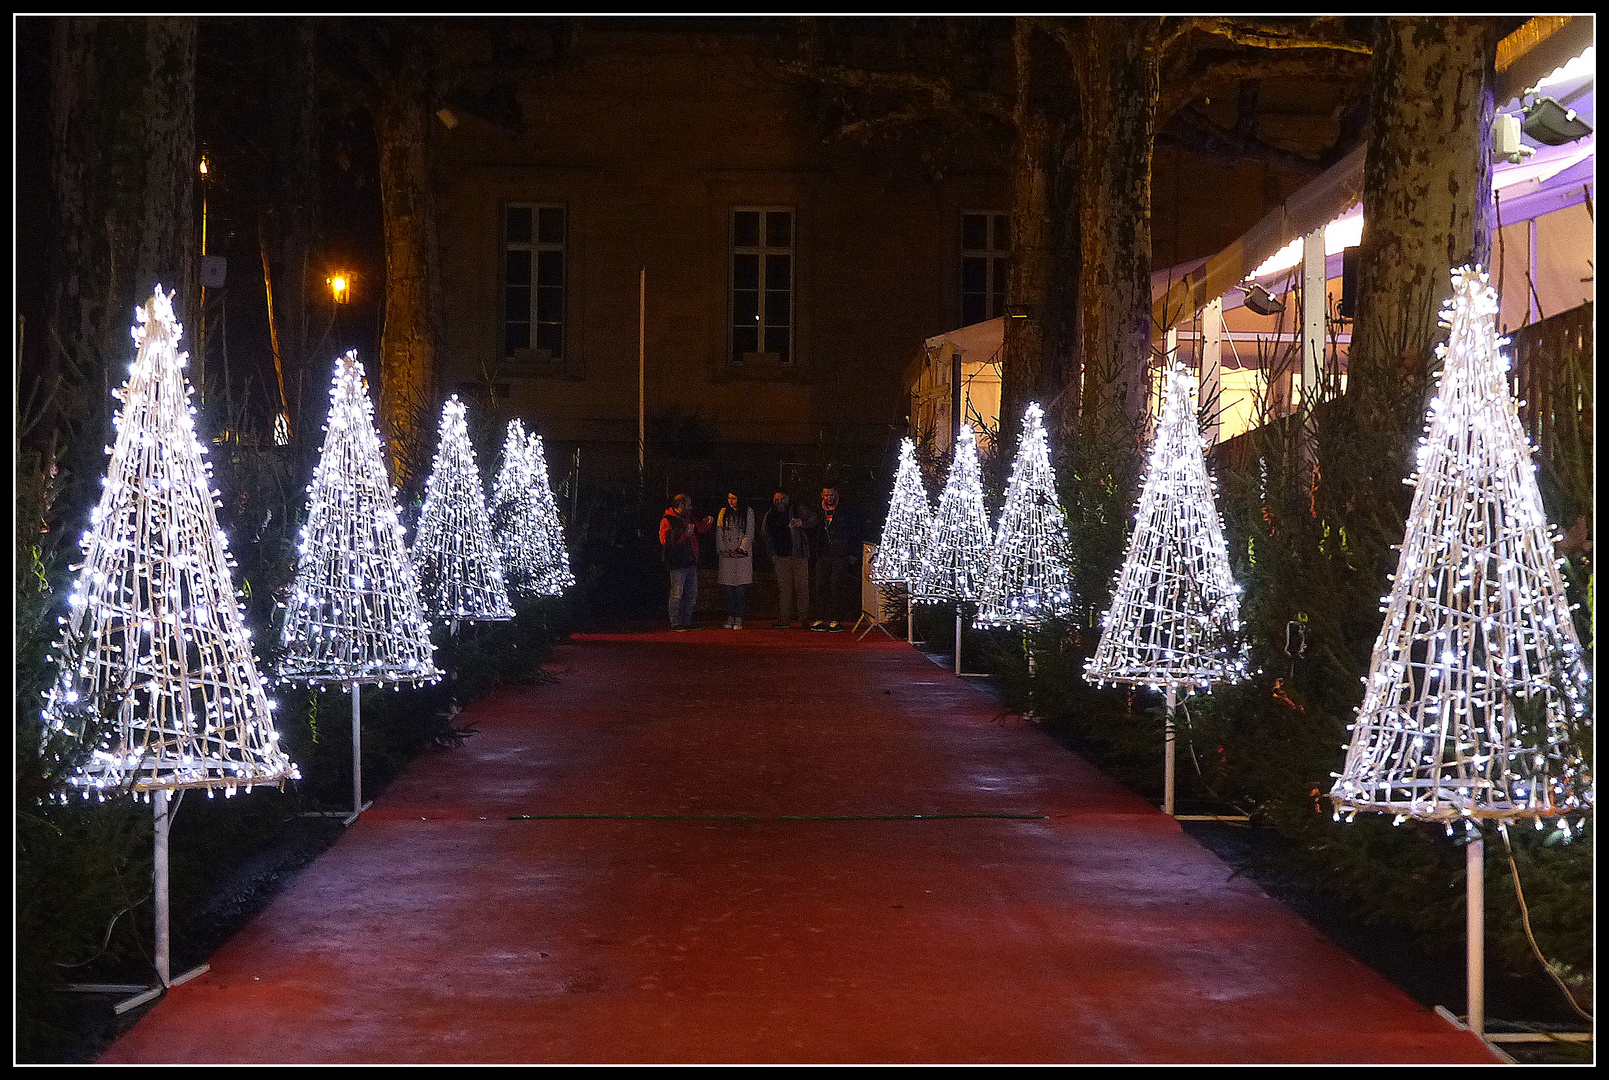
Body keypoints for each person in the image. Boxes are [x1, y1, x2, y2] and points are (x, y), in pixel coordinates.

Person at [810, 486, 863, 632]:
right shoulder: (818, 511)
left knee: (836, 586)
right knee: (820, 586)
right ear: (822, 495)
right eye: (826, 495)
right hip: (822, 554)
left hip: (840, 554)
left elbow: (855, 532)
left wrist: (853, 553)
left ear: (837, 494)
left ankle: (835, 619)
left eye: (832, 495)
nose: (829, 498)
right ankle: (819, 617)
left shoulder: (846, 510)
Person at [760, 491, 815, 628]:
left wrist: (802, 523)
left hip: (799, 556)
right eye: (776, 499)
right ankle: (784, 620)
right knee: (784, 590)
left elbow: (814, 519)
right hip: (780, 558)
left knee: (802, 589)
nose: (780, 502)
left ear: (788, 498)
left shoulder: (797, 509)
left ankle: (804, 619)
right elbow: (765, 535)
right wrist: (772, 555)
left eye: (782, 499)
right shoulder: (770, 515)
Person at [659, 494, 712, 631]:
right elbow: (664, 540)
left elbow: (698, 528)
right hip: (677, 562)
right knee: (677, 592)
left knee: (691, 593)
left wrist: (706, 524)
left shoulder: (688, 516)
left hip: (690, 560)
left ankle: (687, 620)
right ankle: (676, 622)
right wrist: (683, 535)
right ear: (680, 505)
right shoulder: (668, 519)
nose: (690, 506)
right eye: (687, 504)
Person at [715, 492, 755, 629]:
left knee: (740, 588)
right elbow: (719, 532)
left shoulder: (748, 512)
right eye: (729, 498)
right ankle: (730, 616)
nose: (731, 501)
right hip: (727, 555)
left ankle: (738, 617)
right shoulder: (723, 512)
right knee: (728, 589)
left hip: (741, 556)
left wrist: (742, 548)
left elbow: (749, 532)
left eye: (734, 498)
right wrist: (723, 549)